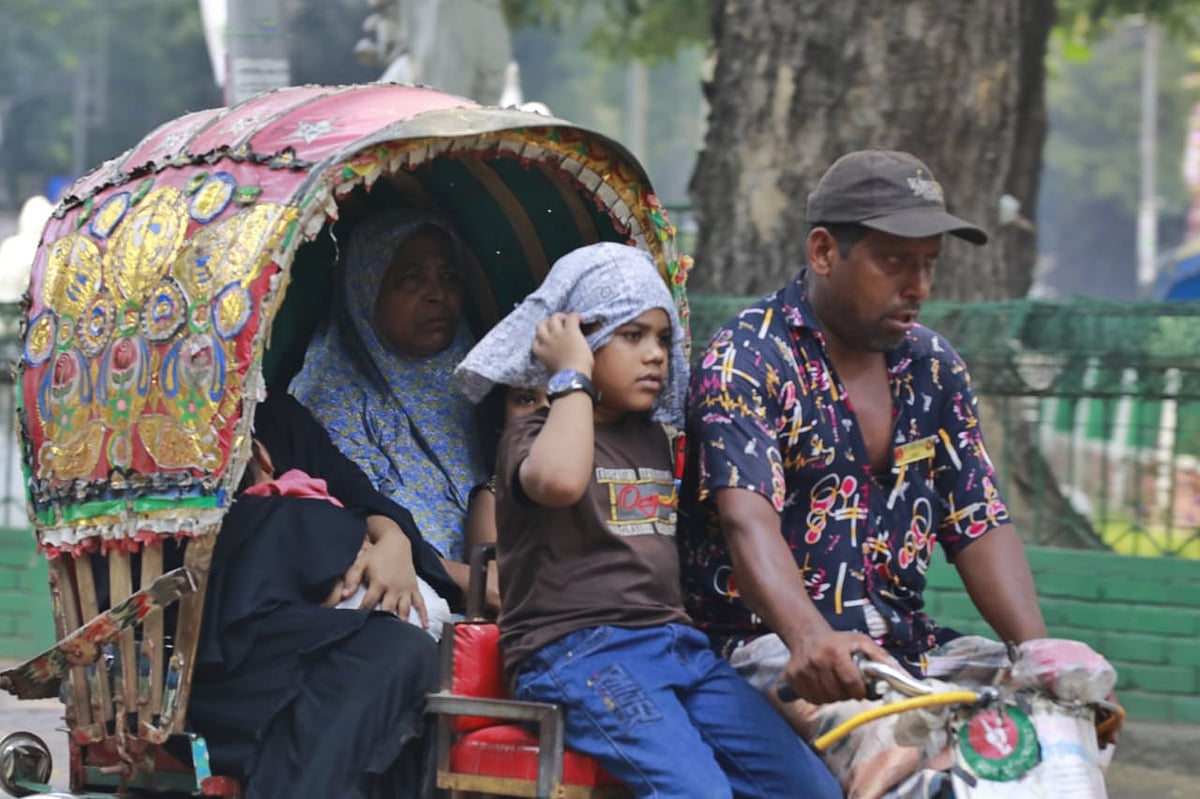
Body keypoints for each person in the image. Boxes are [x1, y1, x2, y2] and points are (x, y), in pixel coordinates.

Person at [680, 149, 1118, 798]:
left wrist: (1037, 656)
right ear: (825, 252)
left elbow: (978, 522)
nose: (918, 287)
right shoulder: (748, 359)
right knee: (906, 762)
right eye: (894, 262)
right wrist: (811, 639)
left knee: (1061, 715)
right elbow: (749, 521)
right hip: (770, 647)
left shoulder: (933, 367)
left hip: (905, 647)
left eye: (928, 265)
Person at [454, 242, 841, 799]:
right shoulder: (534, 433)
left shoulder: (652, 437)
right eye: (631, 336)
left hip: (677, 646)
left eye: (662, 338)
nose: (656, 354)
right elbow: (560, 483)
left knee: (811, 790)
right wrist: (570, 378)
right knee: (698, 793)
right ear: (581, 344)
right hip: (578, 652)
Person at [188, 391, 460, 799]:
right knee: (398, 651)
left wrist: (391, 539)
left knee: (411, 662)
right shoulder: (146, 429)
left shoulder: (270, 414)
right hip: (212, 650)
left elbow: (357, 492)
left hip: (321, 631)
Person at [291, 206, 489, 598]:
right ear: (367, 288)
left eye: (449, 277)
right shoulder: (332, 397)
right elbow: (355, 520)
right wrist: (478, 583)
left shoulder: (481, 375)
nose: (437, 294)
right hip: (406, 593)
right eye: (411, 279)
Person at [463, 384, 549, 609]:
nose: (545, 410)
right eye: (527, 399)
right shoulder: (495, 498)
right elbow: (496, 592)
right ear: (500, 421)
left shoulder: (605, 481)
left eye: (559, 397)